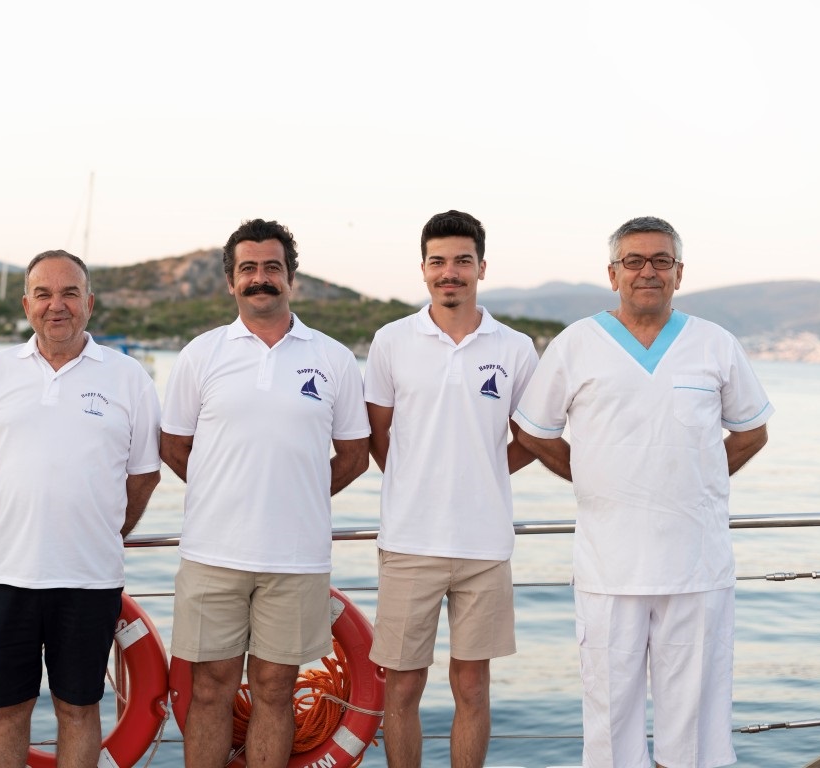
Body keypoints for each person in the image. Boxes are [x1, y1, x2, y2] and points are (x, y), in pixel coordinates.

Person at [513, 216, 773, 768]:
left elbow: (752, 431)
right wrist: (593, 476)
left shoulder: (714, 344)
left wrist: (698, 478)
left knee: (696, 727)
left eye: (661, 261)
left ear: (680, 273)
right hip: (609, 568)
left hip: (696, 566)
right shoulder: (576, 344)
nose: (647, 271)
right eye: (634, 261)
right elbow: (533, 431)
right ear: (613, 274)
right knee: (610, 723)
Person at [159, 219, 370, 768]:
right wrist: (227, 490)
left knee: (276, 691)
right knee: (210, 690)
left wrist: (294, 497)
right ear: (231, 281)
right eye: (248, 269)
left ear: (290, 278)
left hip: (295, 559)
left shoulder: (334, 358)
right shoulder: (200, 355)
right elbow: (174, 445)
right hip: (212, 554)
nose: (260, 278)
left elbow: (354, 455)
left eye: (272, 267)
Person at [0, 250, 161, 768]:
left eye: (70, 293)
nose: (57, 305)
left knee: (78, 709)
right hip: (4, 574)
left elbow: (144, 473)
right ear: (26, 305)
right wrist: (15, 516)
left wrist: (105, 530)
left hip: (89, 577)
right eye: (43, 294)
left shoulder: (128, 377)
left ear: (89, 302)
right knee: (5, 711)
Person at [363, 209, 538, 768]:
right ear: (423, 269)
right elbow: (377, 434)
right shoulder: (392, 341)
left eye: (463, 260)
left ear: (482, 267)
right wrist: (418, 476)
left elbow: (531, 438)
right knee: (402, 686)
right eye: (438, 261)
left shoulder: (515, 348)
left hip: (485, 546)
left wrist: (482, 472)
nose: (450, 272)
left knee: (473, 686)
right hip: (409, 542)